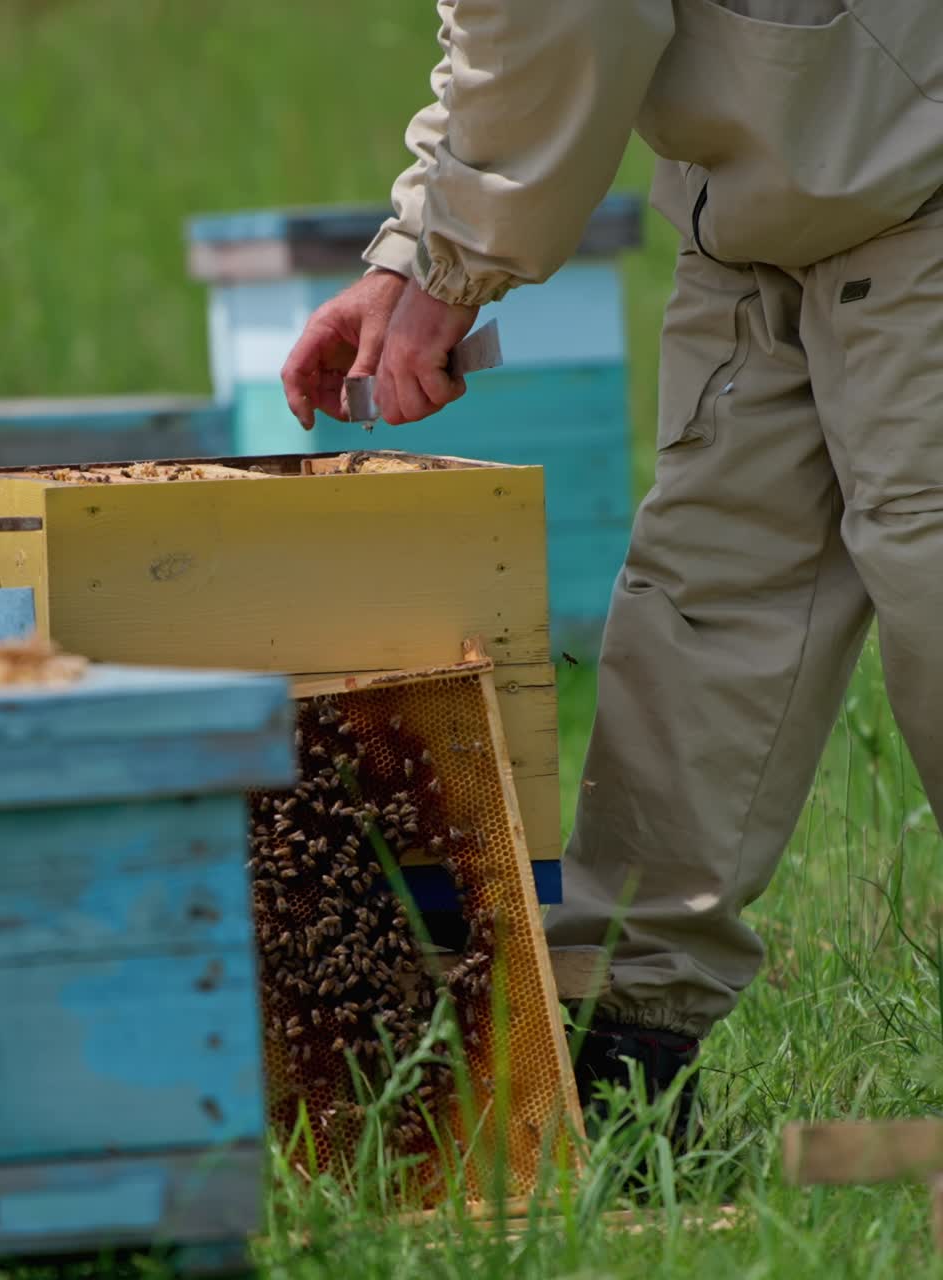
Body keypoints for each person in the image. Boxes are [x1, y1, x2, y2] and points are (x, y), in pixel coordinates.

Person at [281, 0, 943, 1133]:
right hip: (760, 209)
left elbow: (562, 12)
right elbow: (501, 34)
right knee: (699, 602)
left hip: (909, 180)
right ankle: (620, 1047)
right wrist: (411, 252)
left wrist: (450, 263)